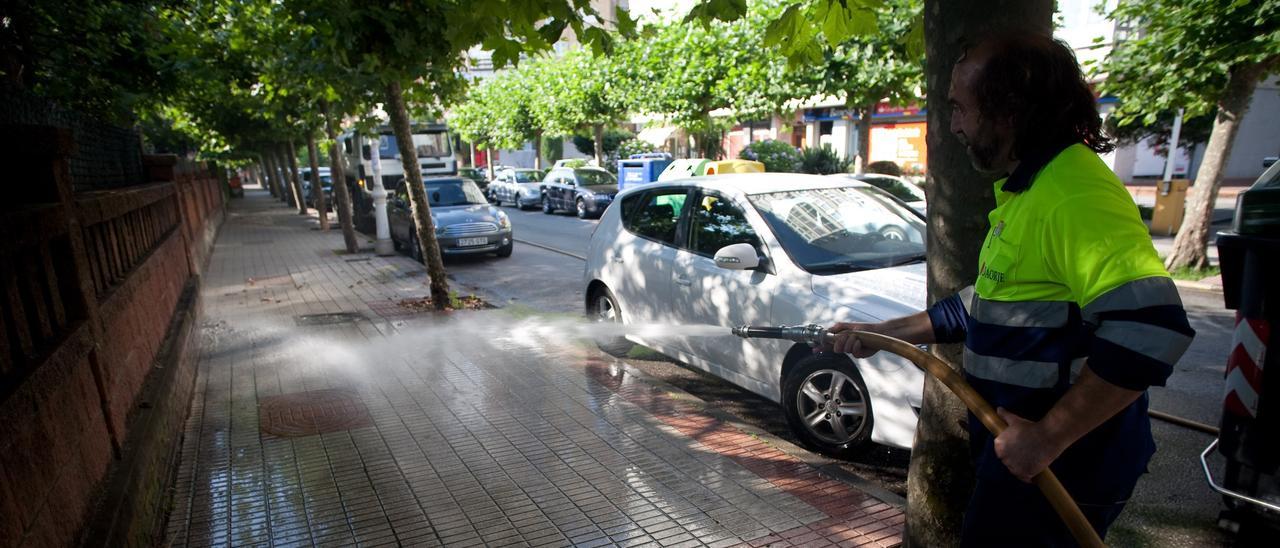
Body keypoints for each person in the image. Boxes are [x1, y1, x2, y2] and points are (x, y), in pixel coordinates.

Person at [824, 32, 1195, 545]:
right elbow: (987, 305)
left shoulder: (1073, 193)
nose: (952, 125)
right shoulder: (1032, 190)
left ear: (1009, 109)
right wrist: (882, 332)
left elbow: (1150, 328)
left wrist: (1046, 439)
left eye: (960, 108)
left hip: (1062, 468)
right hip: (1027, 462)